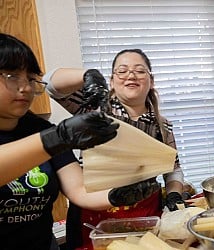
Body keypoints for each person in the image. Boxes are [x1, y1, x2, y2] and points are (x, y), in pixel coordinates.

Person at [0, 33, 159, 250]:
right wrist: (89, 74)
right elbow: (53, 84)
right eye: (11, 76)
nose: (26, 87)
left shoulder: (43, 130)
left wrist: (116, 196)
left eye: (29, 78)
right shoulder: (54, 135)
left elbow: (79, 190)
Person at [44, 49, 185, 249]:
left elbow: (173, 169)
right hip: (95, 211)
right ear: (111, 81)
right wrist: (88, 75)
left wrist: (174, 194)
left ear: (151, 81)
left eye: (140, 71)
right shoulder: (93, 110)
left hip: (144, 213)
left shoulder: (162, 126)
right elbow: (50, 85)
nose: (131, 75)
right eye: (122, 71)